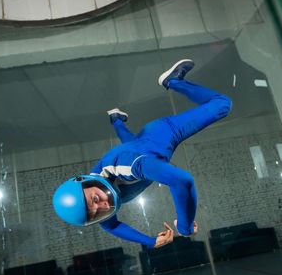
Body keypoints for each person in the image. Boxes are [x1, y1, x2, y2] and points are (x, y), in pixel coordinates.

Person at [52, 59, 232, 248]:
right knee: (131, 142)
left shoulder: (128, 165)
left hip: (161, 135)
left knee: (222, 104)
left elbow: (182, 181)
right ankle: (116, 119)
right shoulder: (95, 198)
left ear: (85, 181)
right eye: (96, 213)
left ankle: (172, 81)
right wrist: (150, 242)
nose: (104, 206)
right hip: (139, 149)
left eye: (96, 200)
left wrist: (185, 227)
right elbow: (110, 226)